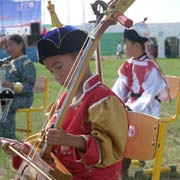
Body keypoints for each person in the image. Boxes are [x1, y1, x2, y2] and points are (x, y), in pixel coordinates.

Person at [0, 26, 128, 180]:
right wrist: (24, 148)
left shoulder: (102, 100)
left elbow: (111, 149)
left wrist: (70, 140)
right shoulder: (62, 101)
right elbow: (46, 139)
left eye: (58, 66)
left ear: (82, 58)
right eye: (51, 71)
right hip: (62, 172)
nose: (57, 76)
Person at [112, 22, 169, 178]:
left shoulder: (151, 67)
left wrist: (132, 109)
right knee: (115, 124)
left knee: (127, 129)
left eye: (126, 44)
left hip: (147, 109)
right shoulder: (127, 66)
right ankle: (118, 163)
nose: (124, 47)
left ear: (137, 45)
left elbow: (149, 95)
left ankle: (123, 166)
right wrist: (113, 102)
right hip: (131, 106)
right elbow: (120, 88)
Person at [0, 34, 36, 139]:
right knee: (4, 99)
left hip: (24, 98)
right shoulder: (8, 61)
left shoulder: (26, 63)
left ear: (21, 45)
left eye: (11, 45)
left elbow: (29, 86)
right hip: (7, 95)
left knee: (5, 102)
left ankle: (7, 138)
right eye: (6, 46)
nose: (8, 49)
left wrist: (12, 85)